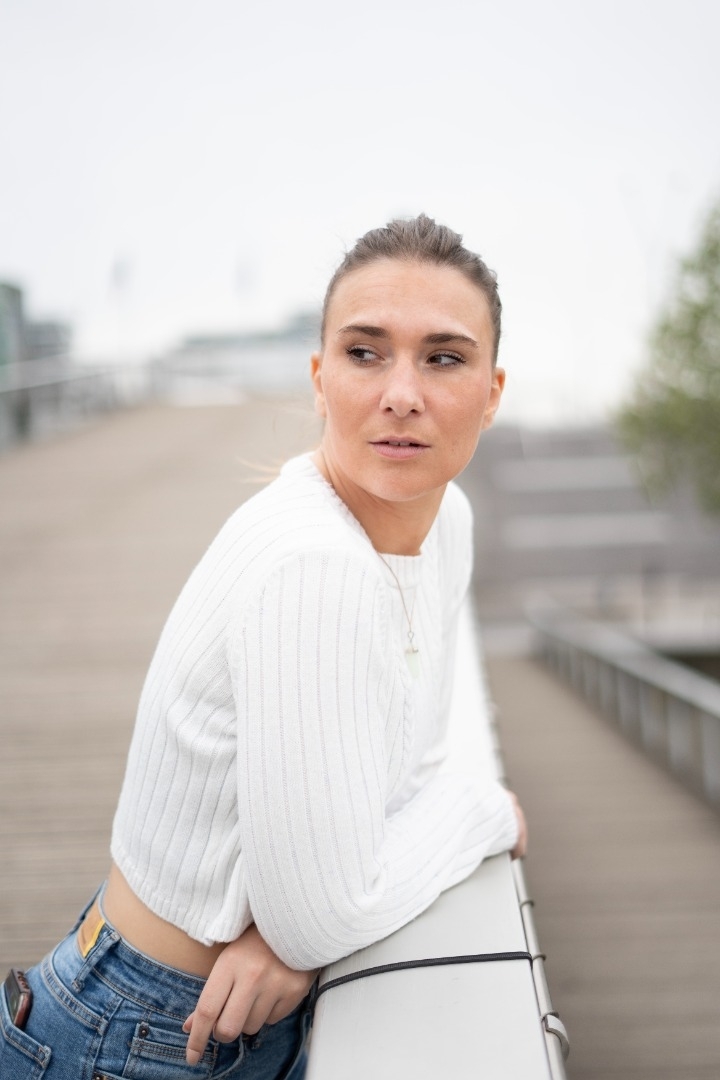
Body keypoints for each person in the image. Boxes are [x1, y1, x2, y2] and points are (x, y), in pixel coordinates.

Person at [0, 213, 527, 1079]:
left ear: (493, 391)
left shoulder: (444, 525)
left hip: (219, 1018)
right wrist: (485, 812)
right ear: (320, 380)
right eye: (365, 353)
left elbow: (404, 782)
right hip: (144, 1030)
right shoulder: (313, 564)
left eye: (443, 358)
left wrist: (298, 934)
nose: (402, 392)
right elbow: (325, 914)